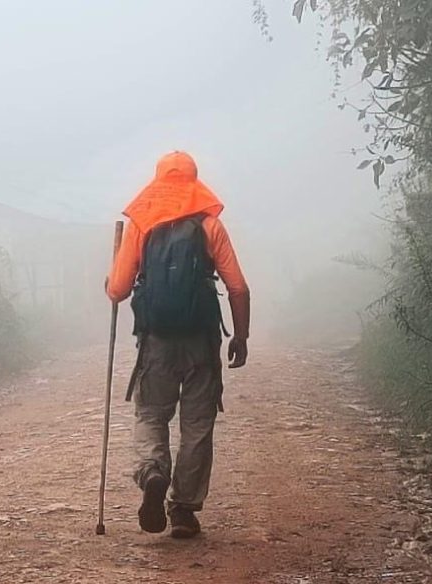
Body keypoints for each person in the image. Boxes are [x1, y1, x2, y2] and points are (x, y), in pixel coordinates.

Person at [106, 151, 250, 539]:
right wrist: (240, 336)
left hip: (156, 342)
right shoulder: (209, 225)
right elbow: (237, 287)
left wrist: (111, 283)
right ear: (193, 181)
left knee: (151, 415)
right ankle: (183, 510)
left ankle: (153, 472)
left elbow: (118, 291)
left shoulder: (142, 225)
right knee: (197, 426)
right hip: (201, 342)